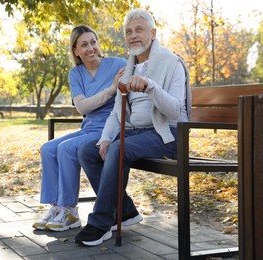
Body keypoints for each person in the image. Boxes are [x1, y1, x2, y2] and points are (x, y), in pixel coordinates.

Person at [75, 8, 191, 246]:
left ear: (153, 33)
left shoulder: (171, 63)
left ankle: (100, 223)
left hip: (166, 134)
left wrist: (151, 86)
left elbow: (176, 111)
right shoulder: (128, 69)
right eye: (128, 31)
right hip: (134, 133)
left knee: (119, 151)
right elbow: (117, 113)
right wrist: (105, 139)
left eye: (139, 29)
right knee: (87, 150)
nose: (133, 35)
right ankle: (125, 210)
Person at [33, 25, 127, 232]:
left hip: (109, 129)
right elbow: (82, 107)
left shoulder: (118, 64)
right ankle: (56, 207)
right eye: (84, 44)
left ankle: (70, 211)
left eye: (93, 42)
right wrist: (111, 89)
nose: (90, 48)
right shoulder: (76, 74)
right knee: (48, 148)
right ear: (75, 50)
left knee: (66, 148)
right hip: (88, 128)